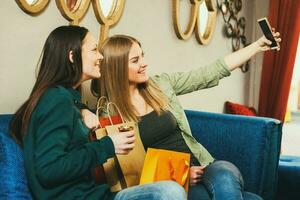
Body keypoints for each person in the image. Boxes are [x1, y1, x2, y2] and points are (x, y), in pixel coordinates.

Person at [89, 31, 281, 200]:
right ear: (117, 67)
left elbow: (209, 73)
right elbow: (132, 170)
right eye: (135, 60)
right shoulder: (110, 114)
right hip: (171, 181)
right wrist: (179, 173)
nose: (145, 63)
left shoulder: (160, 84)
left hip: (205, 165)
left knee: (224, 173)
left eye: (143, 56)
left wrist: (256, 46)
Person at [9, 25, 186, 200]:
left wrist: (83, 110)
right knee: (170, 192)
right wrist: (108, 146)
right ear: (72, 56)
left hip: (97, 194)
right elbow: (49, 170)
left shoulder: (62, 97)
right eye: (94, 50)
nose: (101, 56)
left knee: (173, 188)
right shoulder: (56, 100)